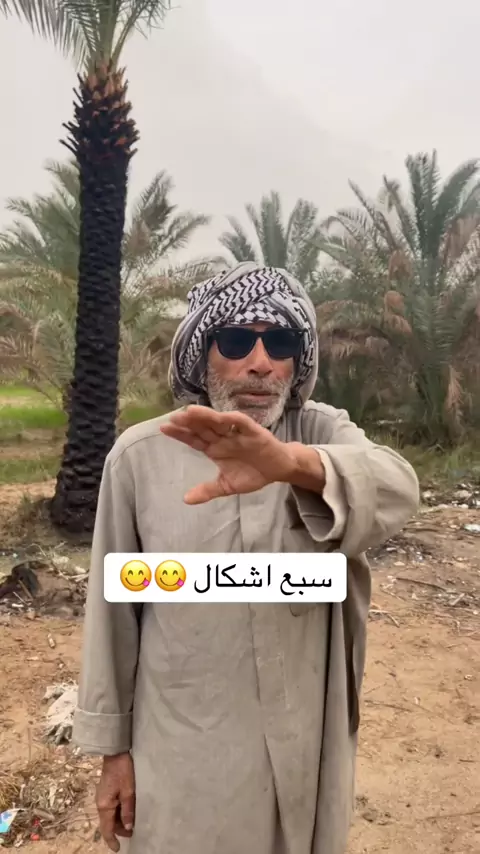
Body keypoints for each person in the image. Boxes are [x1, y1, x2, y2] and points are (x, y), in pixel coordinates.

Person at [72, 262, 420, 854]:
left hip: (306, 741)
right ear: (202, 354)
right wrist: (113, 753)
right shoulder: (140, 458)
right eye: (236, 341)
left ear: (297, 358)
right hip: (184, 746)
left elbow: (397, 488)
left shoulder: (320, 432)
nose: (261, 362)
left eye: (279, 342)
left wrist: (293, 465)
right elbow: (114, 615)